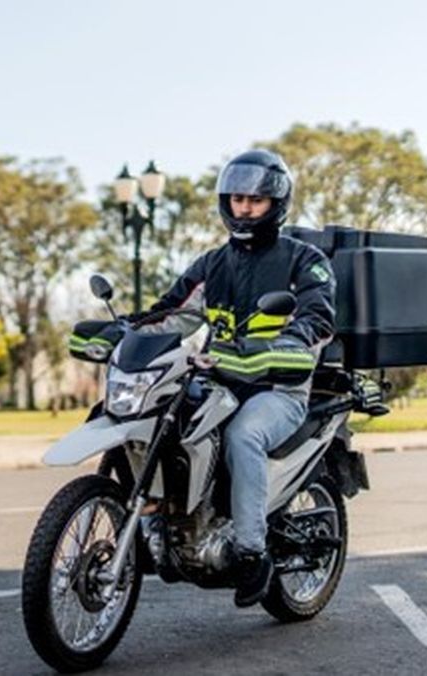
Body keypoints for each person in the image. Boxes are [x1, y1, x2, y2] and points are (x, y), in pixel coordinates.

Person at [132, 149, 336, 607]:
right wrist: (125, 329)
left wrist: (287, 345)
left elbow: (317, 319)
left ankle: (251, 552)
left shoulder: (304, 261)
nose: (244, 208)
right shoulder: (212, 264)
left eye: (255, 200)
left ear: (275, 203)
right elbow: (171, 313)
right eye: (237, 198)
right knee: (159, 420)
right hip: (219, 381)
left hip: (278, 388)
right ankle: (151, 524)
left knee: (244, 435)